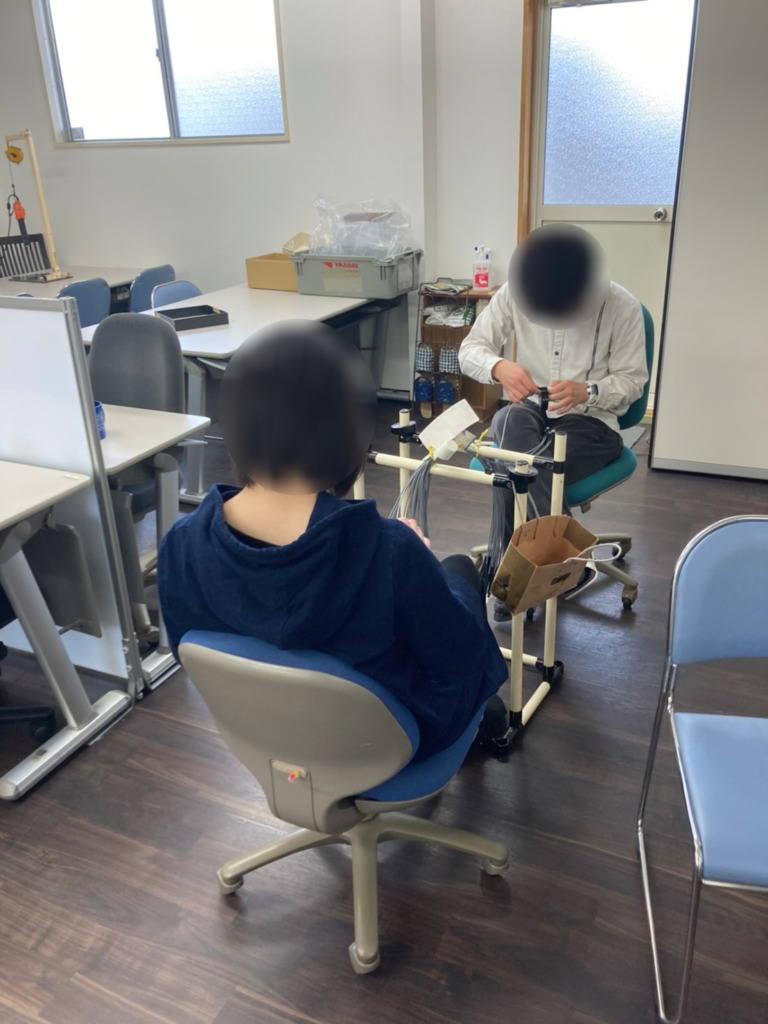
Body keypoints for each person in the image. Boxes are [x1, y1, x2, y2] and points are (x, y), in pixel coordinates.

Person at [158, 321, 508, 759]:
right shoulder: (390, 552)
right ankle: (488, 720)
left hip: (263, 735)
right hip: (386, 743)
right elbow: (459, 657)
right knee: (459, 573)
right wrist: (419, 564)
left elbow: (195, 656)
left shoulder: (181, 545)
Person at [459, 224, 648, 620]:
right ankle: (565, 564)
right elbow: (470, 349)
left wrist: (589, 391)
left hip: (591, 423)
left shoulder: (622, 307)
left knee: (511, 464)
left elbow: (632, 383)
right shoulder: (517, 292)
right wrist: (499, 367)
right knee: (511, 424)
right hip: (532, 413)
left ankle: (510, 571)